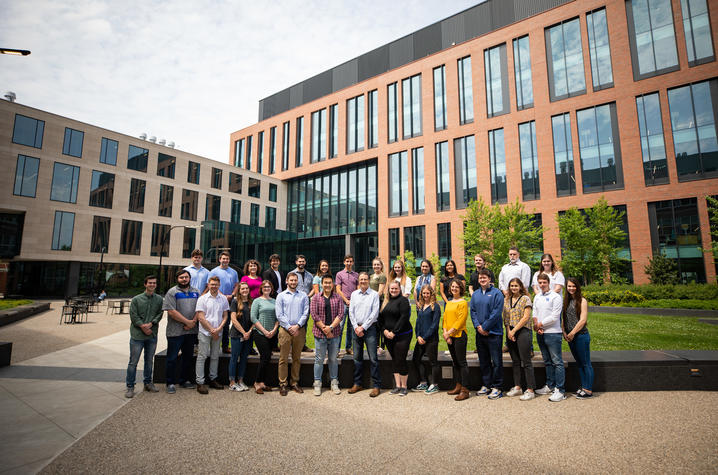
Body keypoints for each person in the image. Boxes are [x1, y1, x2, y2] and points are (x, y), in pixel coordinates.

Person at [125, 275, 163, 398]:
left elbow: (160, 313)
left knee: (149, 360)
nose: (152, 285)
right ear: (145, 284)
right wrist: (143, 326)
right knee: (133, 362)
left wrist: (151, 324)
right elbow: (134, 316)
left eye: (154, 283)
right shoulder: (136, 299)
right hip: (137, 335)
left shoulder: (159, 299)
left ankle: (148, 383)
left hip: (152, 334)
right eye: (150, 283)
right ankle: (130, 386)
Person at [470, 269, 505, 399]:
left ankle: (497, 387)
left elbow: (496, 313)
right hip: (480, 333)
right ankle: (487, 384)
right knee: (484, 361)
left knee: (496, 361)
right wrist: (478, 326)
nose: (482, 280)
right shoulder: (475, 294)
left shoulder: (497, 294)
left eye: (484, 277)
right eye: (480, 278)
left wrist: (485, 327)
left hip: (494, 333)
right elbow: (472, 312)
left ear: (490, 279)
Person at [163, 269, 199, 394]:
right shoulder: (172, 292)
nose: (184, 279)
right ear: (177, 279)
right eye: (181, 277)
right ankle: (170, 382)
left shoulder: (196, 292)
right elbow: (172, 311)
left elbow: (199, 310)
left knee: (188, 357)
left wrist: (192, 322)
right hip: (175, 332)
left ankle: (184, 380)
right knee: (172, 358)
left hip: (191, 331)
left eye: (186, 277)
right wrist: (187, 322)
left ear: (189, 278)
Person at [533, 273, 566, 402]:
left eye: (544, 282)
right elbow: (535, 312)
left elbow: (554, 316)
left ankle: (560, 390)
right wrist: (537, 325)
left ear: (549, 283)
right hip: (541, 332)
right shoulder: (537, 297)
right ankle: (550, 385)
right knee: (547, 361)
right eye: (540, 283)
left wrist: (540, 324)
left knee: (557, 362)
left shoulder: (556, 297)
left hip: (553, 332)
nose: (542, 285)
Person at [275, 272, 309, 395]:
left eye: (295, 280)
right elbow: (279, 314)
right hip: (285, 330)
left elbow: (305, 313)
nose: (293, 282)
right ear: (287, 281)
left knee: (296, 358)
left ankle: (294, 382)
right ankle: (283, 384)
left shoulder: (303, 296)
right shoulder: (281, 296)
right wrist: (289, 327)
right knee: (283, 358)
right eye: (291, 280)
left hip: (299, 330)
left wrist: (298, 326)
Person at [502, 277, 536, 400]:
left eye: (516, 285)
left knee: (526, 361)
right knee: (515, 361)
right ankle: (517, 387)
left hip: (522, 331)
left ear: (520, 286)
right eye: (511, 286)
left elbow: (526, 317)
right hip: (510, 332)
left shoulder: (525, 299)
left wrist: (514, 330)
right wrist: (509, 332)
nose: (514, 288)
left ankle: (530, 389)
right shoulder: (507, 300)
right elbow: (505, 319)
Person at [310, 274, 344, 396]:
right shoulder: (315, 298)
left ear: (333, 284)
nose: (327, 285)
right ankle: (317, 383)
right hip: (319, 334)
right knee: (319, 359)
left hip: (334, 333)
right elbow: (314, 315)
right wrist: (324, 328)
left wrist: (330, 328)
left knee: (333, 359)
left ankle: (334, 382)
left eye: (330, 283)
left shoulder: (338, 298)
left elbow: (340, 315)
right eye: (325, 283)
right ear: (321, 284)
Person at [349, 272, 381, 397]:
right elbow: (351, 312)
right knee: (357, 358)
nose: (363, 281)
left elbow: (374, 313)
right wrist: (356, 327)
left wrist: (363, 327)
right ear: (358, 281)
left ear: (369, 280)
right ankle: (357, 383)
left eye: (365, 279)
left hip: (370, 329)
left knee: (373, 358)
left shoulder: (374, 295)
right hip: (356, 329)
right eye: (361, 279)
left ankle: (376, 385)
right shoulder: (354, 294)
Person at [195, 276, 229, 394]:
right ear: (208, 285)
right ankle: (200, 382)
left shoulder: (223, 299)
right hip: (205, 332)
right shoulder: (202, 299)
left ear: (219, 285)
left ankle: (213, 379)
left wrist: (218, 329)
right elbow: (201, 317)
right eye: (212, 284)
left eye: (216, 284)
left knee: (215, 356)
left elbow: (225, 316)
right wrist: (211, 330)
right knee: (202, 356)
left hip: (218, 332)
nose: (214, 286)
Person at [379, 281, 413, 396]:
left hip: (402, 334)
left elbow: (403, 318)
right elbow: (380, 319)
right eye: (391, 289)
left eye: (395, 289)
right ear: (388, 290)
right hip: (388, 335)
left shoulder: (403, 301)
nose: (393, 290)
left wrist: (394, 332)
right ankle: (397, 386)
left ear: (400, 289)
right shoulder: (385, 301)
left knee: (401, 359)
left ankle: (404, 386)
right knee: (394, 359)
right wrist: (384, 331)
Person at [563, 278, 593, 399]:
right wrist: (564, 332)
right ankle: (583, 386)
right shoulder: (567, 301)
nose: (571, 288)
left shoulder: (582, 300)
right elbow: (564, 319)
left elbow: (583, 320)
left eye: (573, 286)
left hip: (581, 336)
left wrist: (573, 333)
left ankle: (588, 389)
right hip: (570, 337)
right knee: (579, 363)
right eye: (569, 286)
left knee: (586, 363)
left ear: (577, 287)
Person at [443, 279, 470, 401]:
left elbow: (460, 320)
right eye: (452, 286)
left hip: (459, 335)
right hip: (449, 336)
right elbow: (445, 318)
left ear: (460, 289)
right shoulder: (449, 302)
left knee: (462, 362)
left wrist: (449, 333)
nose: (454, 288)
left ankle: (465, 389)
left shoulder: (463, 302)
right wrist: (445, 333)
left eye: (456, 287)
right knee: (455, 362)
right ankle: (458, 386)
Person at [412, 284, 441, 394]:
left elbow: (434, 325)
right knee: (416, 359)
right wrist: (418, 336)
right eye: (424, 293)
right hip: (420, 339)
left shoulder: (435, 307)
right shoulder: (421, 306)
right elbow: (418, 323)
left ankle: (435, 385)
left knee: (433, 362)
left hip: (431, 339)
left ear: (431, 293)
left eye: (427, 293)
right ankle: (423, 382)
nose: (425, 295)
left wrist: (425, 337)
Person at [208, 251, 239, 354]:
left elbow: (236, 285)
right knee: (214, 321)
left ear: (229, 260)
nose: (225, 260)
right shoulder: (213, 271)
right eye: (223, 258)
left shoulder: (233, 272)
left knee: (226, 323)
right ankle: (211, 345)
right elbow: (212, 285)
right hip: (217, 300)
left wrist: (232, 295)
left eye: (227, 259)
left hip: (230, 300)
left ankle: (225, 346)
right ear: (219, 259)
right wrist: (223, 295)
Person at [251, 280, 278, 394]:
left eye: (269, 287)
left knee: (267, 358)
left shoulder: (275, 301)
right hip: (260, 333)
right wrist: (264, 331)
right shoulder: (257, 301)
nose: (267, 288)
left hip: (272, 333)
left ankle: (263, 382)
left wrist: (274, 330)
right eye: (265, 287)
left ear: (271, 289)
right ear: (261, 289)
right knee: (265, 356)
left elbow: (278, 317)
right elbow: (253, 318)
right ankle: (257, 382)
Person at [229, 282, 254, 392]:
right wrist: (243, 332)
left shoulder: (251, 302)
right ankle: (232, 382)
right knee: (234, 358)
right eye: (242, 288)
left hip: (248, 335)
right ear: (239, 290)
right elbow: (233, 320)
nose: (245, 290)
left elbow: (255, 319)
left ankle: (240, 380)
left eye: (246, 288)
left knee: (244, 358)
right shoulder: (235, 302)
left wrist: (249, 332)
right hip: (237, 334)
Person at [335, 254, 358, 355]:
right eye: (347, 261)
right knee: (340, 326)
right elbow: (338, 289)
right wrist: (346, 300)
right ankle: (336, 349)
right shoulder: (339, 274)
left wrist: (352, 301)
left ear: (352, 263)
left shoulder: (356, 275)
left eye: (350, 261)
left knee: (351, 327)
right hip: (342, 304)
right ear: (344, 262)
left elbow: (358, 289)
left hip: (353, 304)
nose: (349, 263)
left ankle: (348, 347)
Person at [290, 254, 313, 352]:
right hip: (294, 302)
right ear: (296, 262)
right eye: (299, 261)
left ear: (305, 262)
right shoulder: (291, 274)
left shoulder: (310, 275)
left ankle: (302, 345)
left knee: (304, 324)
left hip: (306, 303)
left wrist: (308, 296)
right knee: (293, 323)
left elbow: (313, 289)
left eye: (303, 261)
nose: (301, 263)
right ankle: (292, 345)